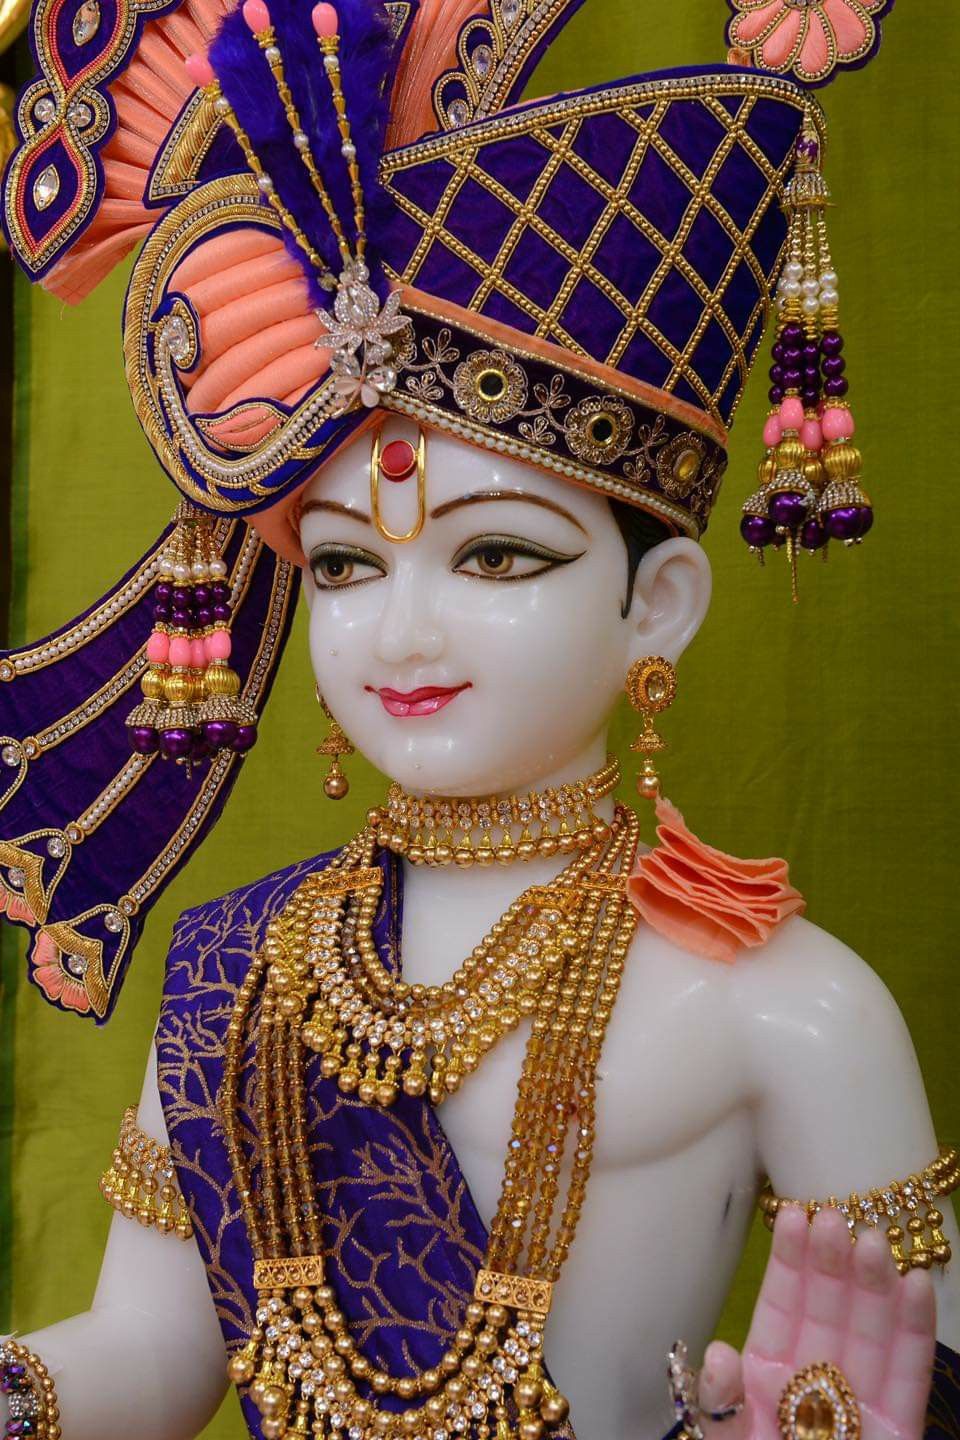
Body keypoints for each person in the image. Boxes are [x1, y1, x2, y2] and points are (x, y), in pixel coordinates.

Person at [1, 2, 957, 1438]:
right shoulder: (237, 970)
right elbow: (153, 1356)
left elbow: (909, 1370)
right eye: (342, 566)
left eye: (498, 555)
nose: (406, 628)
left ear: (662, 605)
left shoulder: (787, 1005)